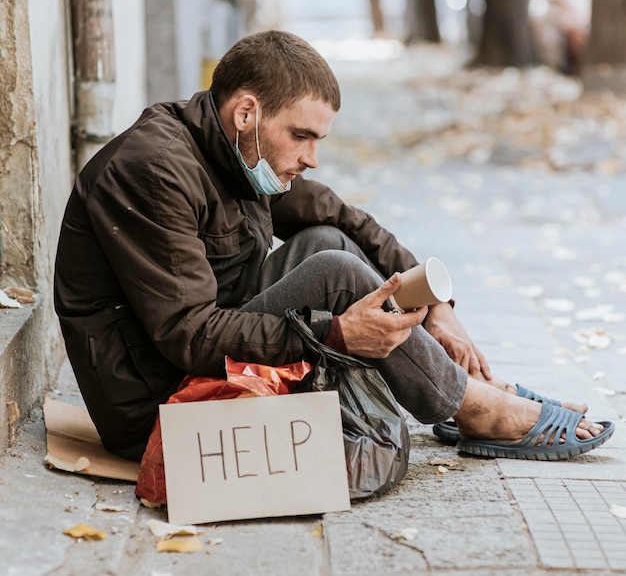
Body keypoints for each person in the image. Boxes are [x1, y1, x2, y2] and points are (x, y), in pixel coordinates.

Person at [54, 30, 613, 464]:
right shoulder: (154, 170)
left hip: (209, 341)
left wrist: (436, 306)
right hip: (161, 404)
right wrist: (334, 336)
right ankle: (478, 408)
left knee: (329, 241)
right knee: (336, 269)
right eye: (301, 136)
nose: (311, 157)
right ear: (247, 113)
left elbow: (338, 215)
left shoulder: (233, 148)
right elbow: (188, 335)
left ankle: (461, 389)